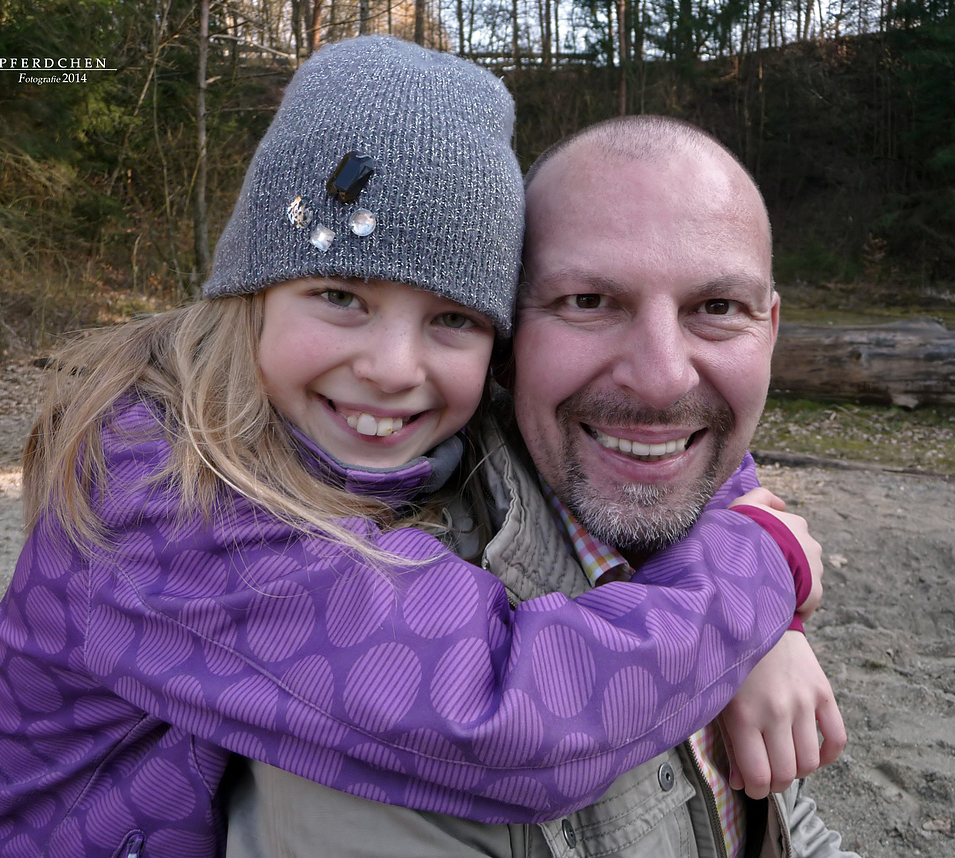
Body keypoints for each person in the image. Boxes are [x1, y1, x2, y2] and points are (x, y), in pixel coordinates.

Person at [0, 39, 816, 857]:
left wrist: (752, 566)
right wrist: (761, 568)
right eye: (340, 295)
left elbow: (649, 431)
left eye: (452, 318)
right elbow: (509, 715)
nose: (394, 368)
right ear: (250, 293)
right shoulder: (164, 491)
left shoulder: (393, 409)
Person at [224, 115, 857, 857]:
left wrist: (767, 614)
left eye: (717, 308)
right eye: (587, 302)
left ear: (770, 330)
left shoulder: (716, 537)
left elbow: (793, 834)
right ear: (506, 337)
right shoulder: (380, 646)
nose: (661, 381)